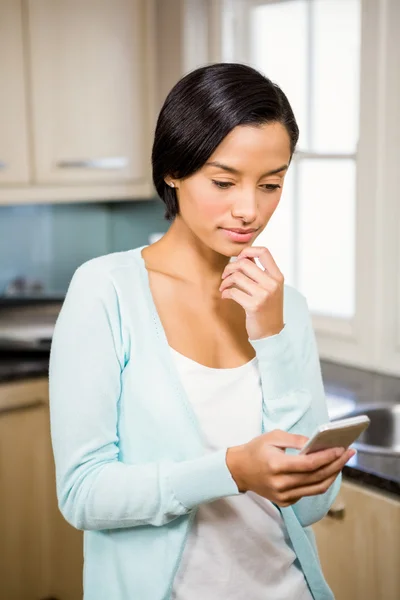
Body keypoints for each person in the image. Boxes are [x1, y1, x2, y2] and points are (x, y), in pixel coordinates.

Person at [49, 62, 354, 600]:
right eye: (223, 181)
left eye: (271, 184)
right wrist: (231, 470)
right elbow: (84, 494)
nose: (249, 210)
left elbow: (308, 508)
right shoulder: (106, 292)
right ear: (173, 170)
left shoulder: (286, 308)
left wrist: (274, 336)